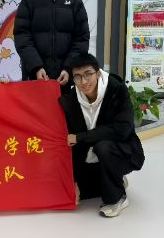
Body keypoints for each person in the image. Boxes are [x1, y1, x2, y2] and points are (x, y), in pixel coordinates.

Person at [59, 53, 145, 218]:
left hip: (121, 150)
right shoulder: (71, 101)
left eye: (88, 74)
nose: (84, 81)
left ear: (98, 73)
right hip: (88, 157)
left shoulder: (116, 90)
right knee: (81, 194)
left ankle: (117, 198)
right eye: (78, 76)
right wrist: (73, 182)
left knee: (103, 146)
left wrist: (81, 137)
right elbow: (71, 144)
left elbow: (122, 129)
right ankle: (115, 178)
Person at [14, 0, 90, 86]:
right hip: (35, 77)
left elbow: (81, 39)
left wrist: (69, 68)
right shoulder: (29, 1)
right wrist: (36, 67)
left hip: (66, 78)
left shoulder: (75, 3)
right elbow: (22, 37)